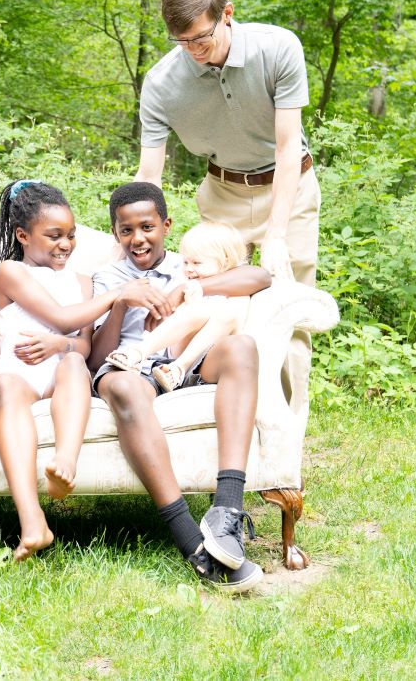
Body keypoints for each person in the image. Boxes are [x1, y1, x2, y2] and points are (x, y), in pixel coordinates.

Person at [135, 0, 320, 406]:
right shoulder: (161, 83)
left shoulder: (278, 49)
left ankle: (286, 434)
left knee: (288, 308)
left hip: (288, 188)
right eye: (181, 41)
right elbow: (149, 176)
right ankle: (221, 414)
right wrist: (136, 239)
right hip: (222, 194)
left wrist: (275, 234)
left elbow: (288, 145)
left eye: (201, 38)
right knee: (208, 301)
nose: (193, 50)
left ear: (228, 14)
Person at [89, 182, 271, 594]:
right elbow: (95, 353)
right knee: (128, 389)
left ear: (166, 225)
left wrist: (191, 287)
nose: (139, 239)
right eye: (126, 231)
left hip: (183, 362)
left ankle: (226, 512)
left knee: (241, 347)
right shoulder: (107, 276)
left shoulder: (187, 261)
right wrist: (120, 303)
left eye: (148, 227)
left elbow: (260, 276)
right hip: (127, 367)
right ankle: (191, 541)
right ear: (116, 234)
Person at [0, 180, 124, 561]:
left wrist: (57, 344)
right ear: (23, 235)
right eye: (53, 235)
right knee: (5, 388)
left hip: (64, 369)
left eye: (71, 235)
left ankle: (65, 461)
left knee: (73, 362)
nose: (65, 243)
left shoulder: (83, 283)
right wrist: (115, 294)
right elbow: (61, 317)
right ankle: (33, 524)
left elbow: (82, 345)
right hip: (22, 370)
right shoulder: (11, 271)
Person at [105, 221, 251, 393]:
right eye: (185, 262)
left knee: (227, 314)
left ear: (225, 262)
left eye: (197, 263)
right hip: (175, 351)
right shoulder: (187, 283)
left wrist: (195, 307)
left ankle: (175, 368)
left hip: (208, 358)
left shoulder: (238, 291)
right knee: (197, 309)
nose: (189, 269)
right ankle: (138, 354)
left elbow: (236, 325)